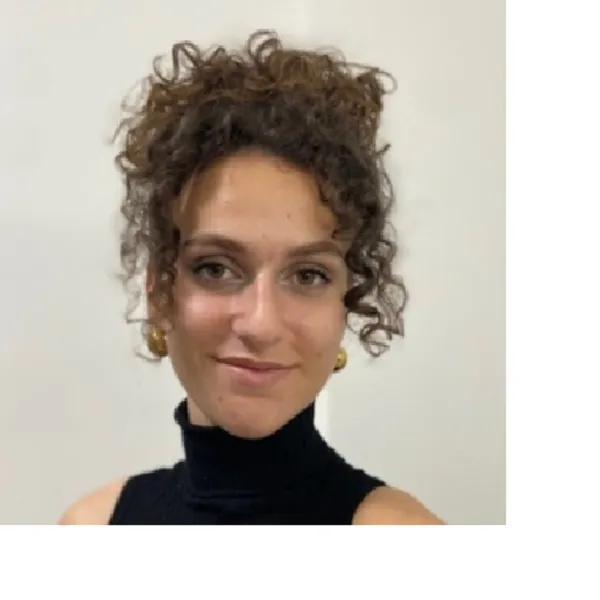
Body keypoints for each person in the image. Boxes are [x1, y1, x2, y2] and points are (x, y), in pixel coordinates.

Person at [59, 30, 443, 525]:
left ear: (347, 302)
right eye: (215, 268)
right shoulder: (91, 526)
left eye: (308, 275)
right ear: (159, 293)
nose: (261, 324)